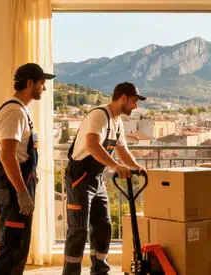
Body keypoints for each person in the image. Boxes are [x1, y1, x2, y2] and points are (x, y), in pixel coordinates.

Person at [62, 82, 147, 275]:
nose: (136, 106)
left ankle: (100, 271)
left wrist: (137, 167)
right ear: (123, 98)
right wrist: (116, 166)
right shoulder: (99, 115)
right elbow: (92, 145)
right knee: (78, 230)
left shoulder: (117, 122)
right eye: (134, 101)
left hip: (97, 179)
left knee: (103, 226)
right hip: (80, 177)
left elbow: (122, 150)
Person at [0, 63, 55, 274]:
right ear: (29, 84)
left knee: (17, 246)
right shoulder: (14, 112)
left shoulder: (21, 110)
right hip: (12, 187)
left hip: (17, 184)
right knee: (12, 245)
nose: (43, 89)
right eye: (41, 84)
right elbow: (7, 155)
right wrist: (21, 192)